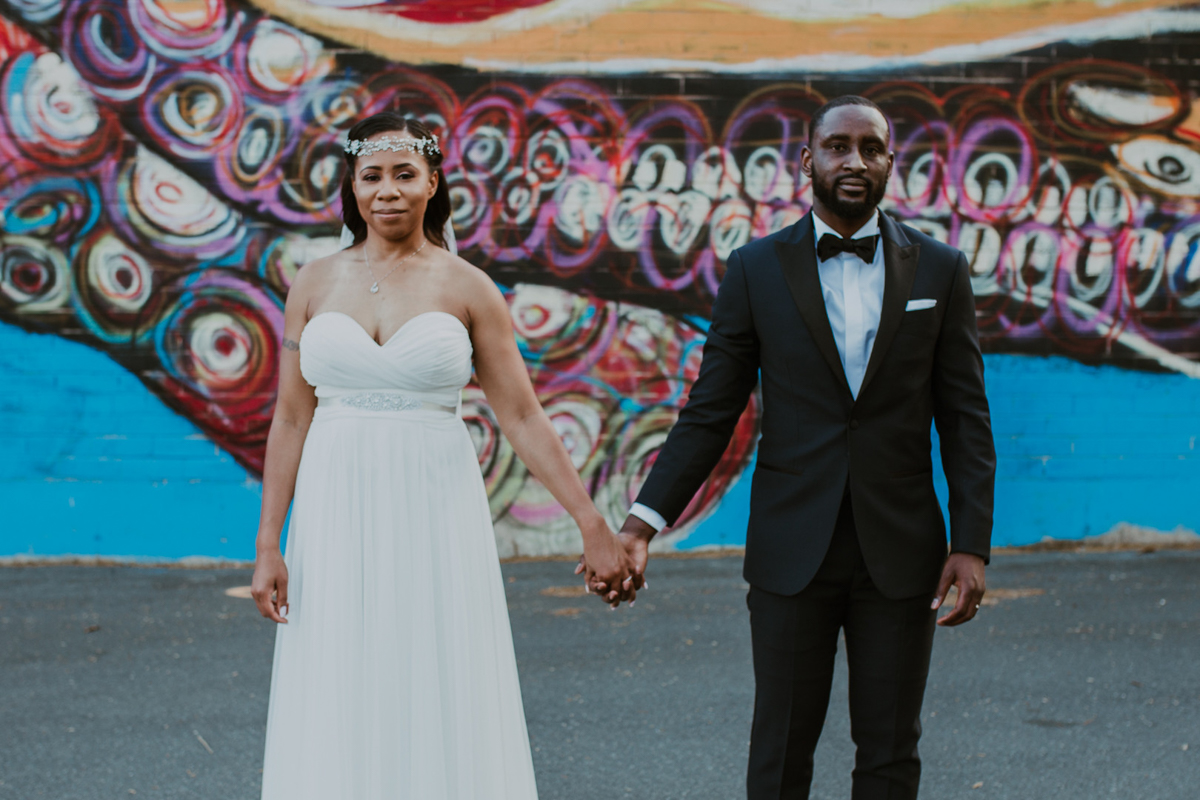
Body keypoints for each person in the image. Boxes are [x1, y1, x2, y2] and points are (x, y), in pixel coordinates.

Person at [595, 96, 997, 799]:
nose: (855, 161)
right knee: (780, 749)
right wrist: (641, 523)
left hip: (902, 552)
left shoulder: (940, 268)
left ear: (890, 164)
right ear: (806, 160)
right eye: (838, 147)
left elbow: (964, 417)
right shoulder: (755, 268)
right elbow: (710, 411)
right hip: (791, 550)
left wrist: (972, 543)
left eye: (871, 149)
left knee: (891, 750)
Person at [250, 111, 637, 799]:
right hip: (336, 503)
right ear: (352, 186)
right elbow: (289, 416)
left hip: (433, 500)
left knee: (432, 662)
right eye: (372, 176)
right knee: (340, 666)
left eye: (405, 174)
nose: (388, 190)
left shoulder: (468, 287)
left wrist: (591, 522)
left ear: (433, 182)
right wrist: (268, 546)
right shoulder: (312, 284)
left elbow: (521, 413)